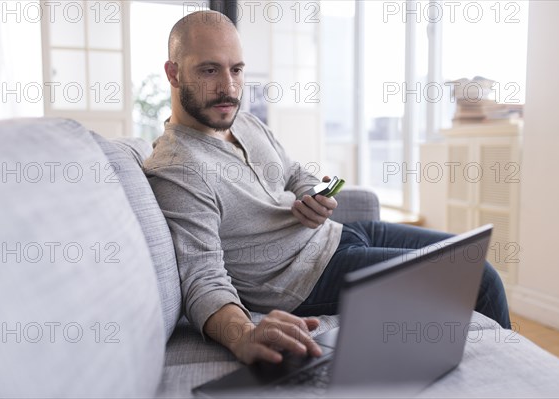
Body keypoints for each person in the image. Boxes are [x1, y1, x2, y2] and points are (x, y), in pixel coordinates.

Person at [143, 10, 511, 366]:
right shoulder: (178, 168)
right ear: (173, 73)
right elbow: (202, 278)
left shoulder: (245, 122)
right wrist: (242, 333)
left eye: (236, 69)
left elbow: (292, 171)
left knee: (470, 253)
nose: (229, 87)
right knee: (480, 278)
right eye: (209, 70)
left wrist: (310, 192)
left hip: (341, 235)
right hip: (309, 279)